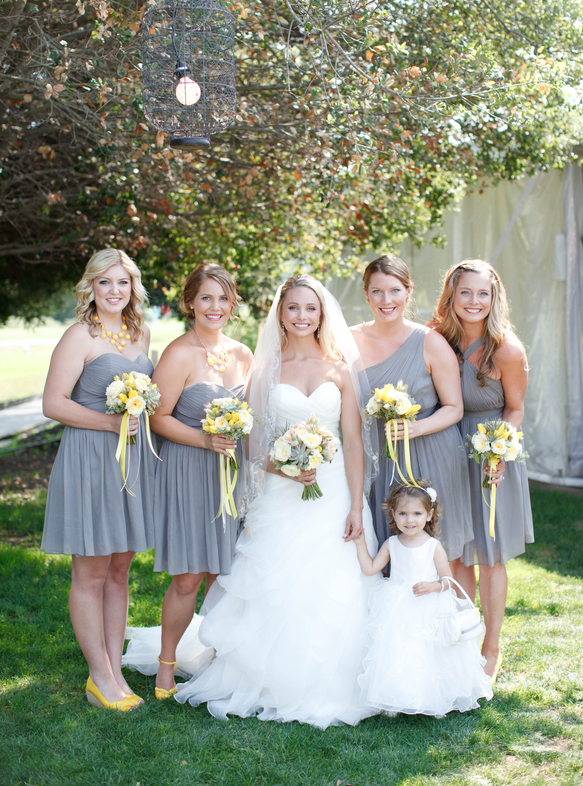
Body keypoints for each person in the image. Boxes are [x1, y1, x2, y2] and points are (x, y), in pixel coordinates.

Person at [174, 274, 380, 728]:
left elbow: (351, 441)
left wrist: (354, 505)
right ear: (280, 314)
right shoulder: (265, 370)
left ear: (321, 314)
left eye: (310, 308)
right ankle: (267, 678)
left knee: (336, 584)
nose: (302, 316)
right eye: (293, 309)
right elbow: (251, 443)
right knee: (276, 580)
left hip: (335, 494)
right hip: (283, 492)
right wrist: (284, 466)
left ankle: (338, 678)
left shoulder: (340, 368)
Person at [123, 264, 253, 699]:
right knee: (188, 577)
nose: (214, 307)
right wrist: (205, 439)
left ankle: (216, 660)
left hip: (229, 476)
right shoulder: (179, 352)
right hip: (187, 472)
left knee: (224, 574)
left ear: (232, 304)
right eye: (206, 298)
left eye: (222, 299)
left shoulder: (243, 354)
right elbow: (157, 420)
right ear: (190, 303)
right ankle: (166, 666)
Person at [41, 248, 155, 711]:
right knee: (90, 570)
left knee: (120, 567)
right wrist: (109, 423)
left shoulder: (142, 333)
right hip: (90, 458)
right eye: (105, 283)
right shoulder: (78, 336)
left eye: (123, 282)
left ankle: (113, 668)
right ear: (91, 287)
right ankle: (99, 677)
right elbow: (53, 403)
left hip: (130, 463)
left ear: (133, 288)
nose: (114, 291)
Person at [431, 259, 532, 680]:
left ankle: (491, 648)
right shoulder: (434, 340)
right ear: (451, 297)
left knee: (490, 556)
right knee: (455, 553)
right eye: (465, 293)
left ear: (495, 299)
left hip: (491, 456)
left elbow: (516, 408)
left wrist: (500, 452)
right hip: (447, 452)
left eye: (483, 293)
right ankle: (463, 639)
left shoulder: (507, 349)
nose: (474, 301)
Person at [351, 255, 473, 563]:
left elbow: (454, 407)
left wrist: (416, 427)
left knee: (436, 551)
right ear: (366, 294)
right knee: (385, 550)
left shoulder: (430, 342)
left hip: (430, 453)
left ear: (408, 291)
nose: (386, 299)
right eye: (377, 291)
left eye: (394, 290)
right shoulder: (348, 341)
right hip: (376, 457)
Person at [355, 481, 492, 717]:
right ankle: (400, 695)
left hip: (427, 605)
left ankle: (430, 696)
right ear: (394, 515)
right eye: (403, 514)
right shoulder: (392, 544)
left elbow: (449, 581)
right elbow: (370, 568)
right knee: (400, 650)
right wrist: (359, 544)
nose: (410, 520)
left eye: (417, 514)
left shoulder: (433, 546)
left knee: (428, 652)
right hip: (397, 605)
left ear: (429, 515)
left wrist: (433, 586)